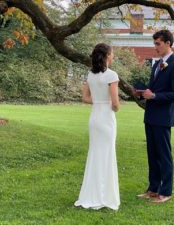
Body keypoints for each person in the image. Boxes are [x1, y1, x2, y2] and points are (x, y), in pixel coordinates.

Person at [135, 30, 174, 203]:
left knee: (164, 155)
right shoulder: (157, 64)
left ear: (168, 43)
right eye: (154, 43)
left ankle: (166, 192)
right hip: (150, 116)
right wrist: (143, 93)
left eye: (158, 44)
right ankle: (153, 189)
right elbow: (153, 88)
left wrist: (154, 96)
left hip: (163, 117)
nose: (155, 47)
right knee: (152, 154)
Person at [74, 43, 120, 210]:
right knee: (107, 155)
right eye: (112, 53)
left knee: (95, 154)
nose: (113, 56)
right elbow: (115, 103)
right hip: (107, 118)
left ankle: (91, 194)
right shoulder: (112, 75)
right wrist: (112, 105)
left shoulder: (90, 75)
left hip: (94, 118)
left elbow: (85, 98)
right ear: (107, 56)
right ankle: (105, 196)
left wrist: (100, 101)